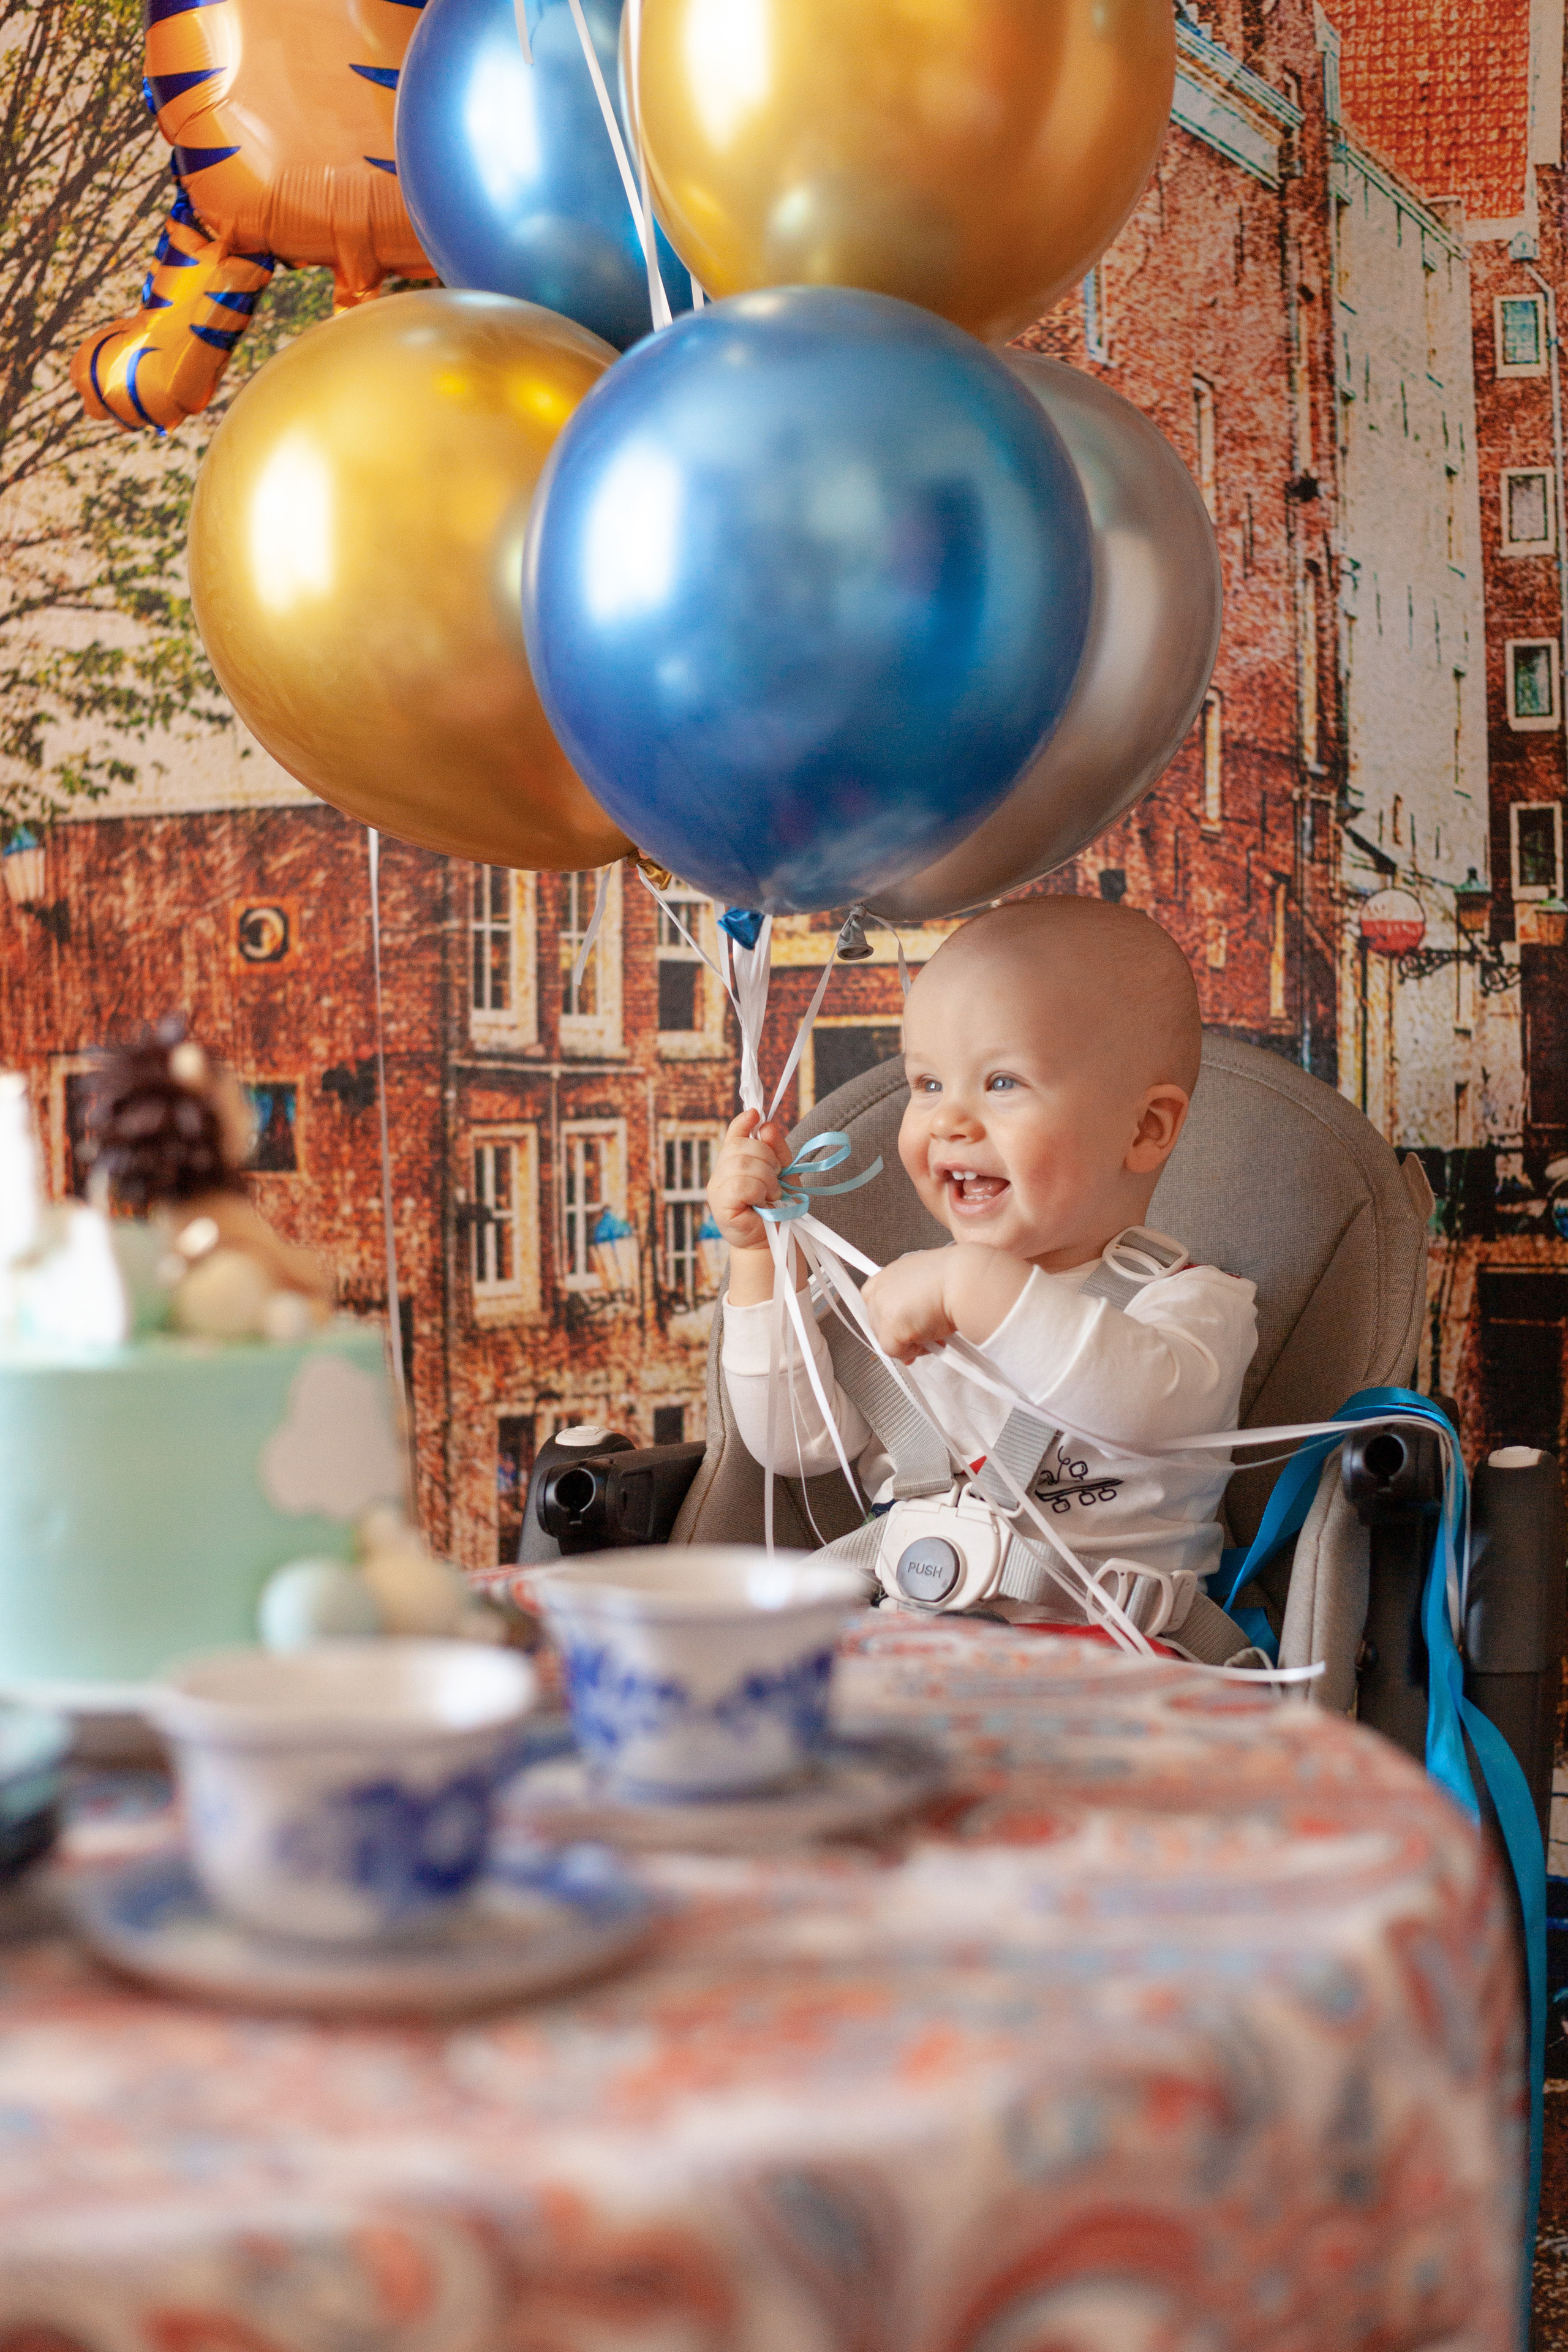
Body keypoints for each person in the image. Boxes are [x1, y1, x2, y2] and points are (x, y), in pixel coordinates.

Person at [703, 896, 1259, 1621]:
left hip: (1109, 1676)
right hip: (912, 1659)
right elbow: (794, 1445)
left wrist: (976, 1286)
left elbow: (1134, 1412)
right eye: (927, 1085)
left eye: (1002, 1082)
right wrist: (760, 1263)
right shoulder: (909, 1297)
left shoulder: (1192, 1307)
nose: (949, 1120)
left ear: (1144, 1129)